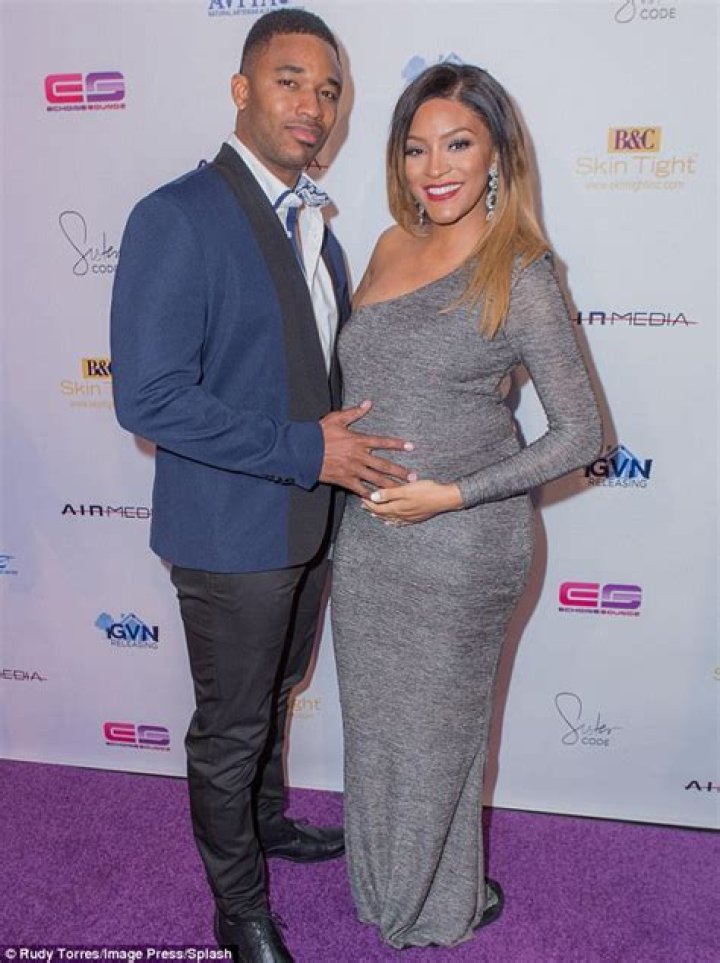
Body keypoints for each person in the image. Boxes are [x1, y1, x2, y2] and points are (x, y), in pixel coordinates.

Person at [110, 11, 413, 962]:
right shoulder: (176, 215)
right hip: (229, 531)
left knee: (278, 690)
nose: (312, 105)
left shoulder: (315, 225)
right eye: (290, 81)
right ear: (241, 90)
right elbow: (148, 397)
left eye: (329, 90)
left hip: (308, 520)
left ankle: (267, 820)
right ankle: (237, 907)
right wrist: (304, 451)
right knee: (232, 728)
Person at [331, 63, 603, 949]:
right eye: (416, 149)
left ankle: (436, 905)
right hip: (368, 539)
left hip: (461, 549)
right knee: (377, 729)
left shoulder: (519, 270)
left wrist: (452, 494)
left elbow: (581, 433)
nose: (434, 168)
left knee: (436, 738)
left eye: (457, 144)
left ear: (496, 157)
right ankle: (387, 892)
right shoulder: (386, 246)